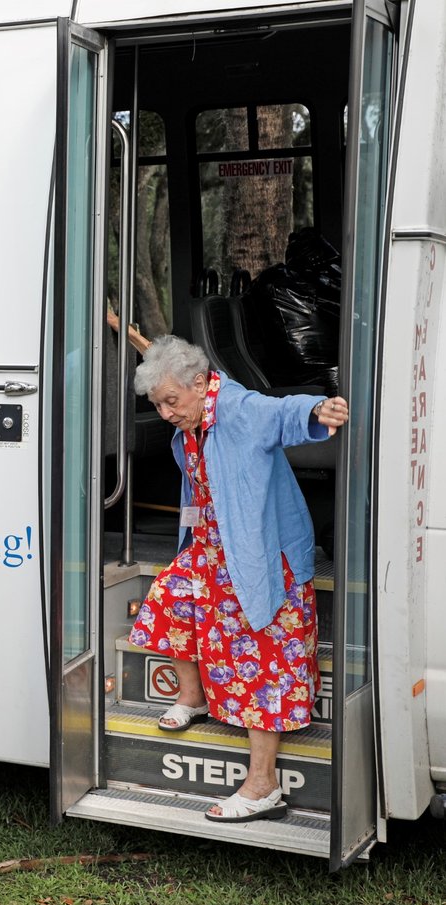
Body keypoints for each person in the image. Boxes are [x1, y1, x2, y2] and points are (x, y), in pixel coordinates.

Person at [127, 335, 349, 823]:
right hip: (209, 548)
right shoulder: (191, 420)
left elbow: (281, 411)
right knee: (168, 598)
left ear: (201, 384)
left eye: (170, 401)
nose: (164, 412)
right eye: (158, 404)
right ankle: (194, 694)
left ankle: (263, 784)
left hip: (259, 555)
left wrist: (319, 409)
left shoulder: (236, 408)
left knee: (261, 658)